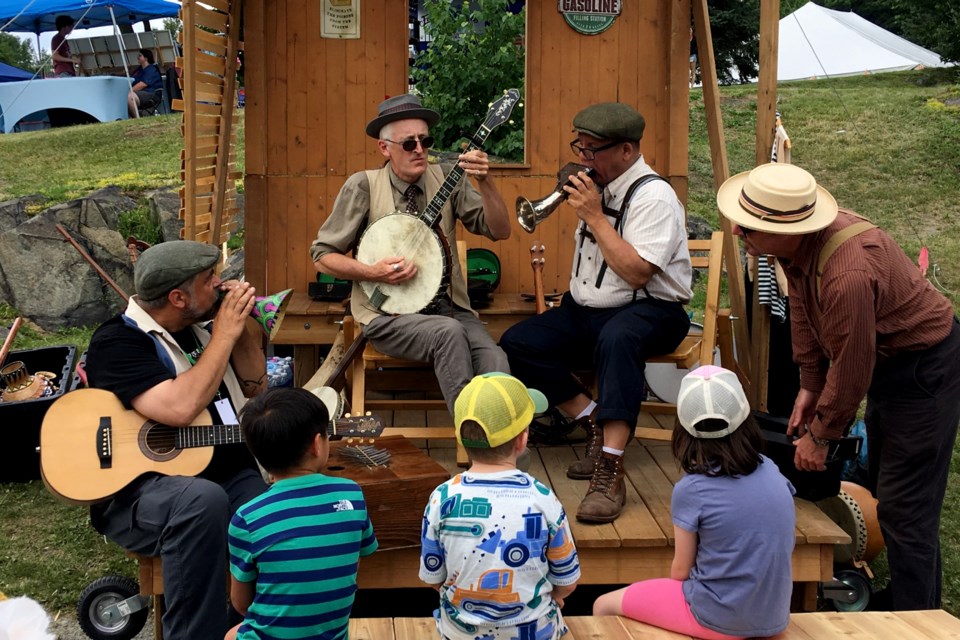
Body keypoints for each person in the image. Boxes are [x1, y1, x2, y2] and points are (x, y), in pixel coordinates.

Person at [716, 162, 960, 611]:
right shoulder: (799, 251)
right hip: (889, 363)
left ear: (787, 228)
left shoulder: (846, 273)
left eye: (748, 228)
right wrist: (810, 384)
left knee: (907, 507)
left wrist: (821, 435)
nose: (736, 233)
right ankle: (913, 599)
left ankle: (915, 618)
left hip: (924, 368)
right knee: (894, 491)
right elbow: (804, 311)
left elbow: (852, 365)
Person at [499, 102, 692, 523]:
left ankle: (610, 467)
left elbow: (638, 273)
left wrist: (594, 216)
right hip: (589, 308)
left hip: (653, 309)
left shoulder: (655, 197)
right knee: (518, 343)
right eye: (580, 148)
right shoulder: (600, 180)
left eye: (593, 151)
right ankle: (592, 423)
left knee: (619, 338)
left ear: (626, 151)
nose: (584, 159)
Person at [84, 240, 269, 639]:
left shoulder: (201, 327)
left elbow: (256, 387)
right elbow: (180, 408)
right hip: (139, 491)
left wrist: (242, 333)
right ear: (178, 297)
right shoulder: (117, 342)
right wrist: (222, 336)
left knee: (267, 511)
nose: (220, 283)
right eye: (209, 279)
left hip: (225, 473)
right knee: (202, 502)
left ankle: (259, 628)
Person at [310, 94, 512, 415]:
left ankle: (503, 449)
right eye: (408, 143)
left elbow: (500, 230)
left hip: (449, 309)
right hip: (387, 315)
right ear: (384, 147)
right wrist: (373, 272)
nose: (419, 149)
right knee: (449, 335)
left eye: (425, 140)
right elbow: (323, 256)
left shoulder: (448, 178)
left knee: (495, 362)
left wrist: (485, 183)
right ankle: (474, 435)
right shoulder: (362, 187)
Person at [593, 365, 796, 639]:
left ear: (683, 428)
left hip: (716, 617)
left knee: (602, 605)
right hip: (773, 614)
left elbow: (680, 571)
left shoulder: (692, 489)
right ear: (746, 418)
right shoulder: (772, 470)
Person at [420, 373, 581, 640]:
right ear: (522, 440)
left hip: (459, 633)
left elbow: (432, 577)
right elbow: (567, 580)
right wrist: (557, 597)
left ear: (460, 439)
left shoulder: (442, 497)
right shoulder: (542, 498)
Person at [225, 387, 378, 640]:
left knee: (231, 635)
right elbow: (352, 565)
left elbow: (241, 603)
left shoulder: (247, 518)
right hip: (333, 634)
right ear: (317, 445)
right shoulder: (352, 494)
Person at [127, 48, 164, 117]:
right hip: (140, 93)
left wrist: (129, 91)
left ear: (146, 58)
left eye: (140, 56)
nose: (137, 57)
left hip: (151, 93)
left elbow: (143, 84)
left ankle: (137, 118)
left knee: (129, 96)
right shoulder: (139, 69)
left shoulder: (151, 69)